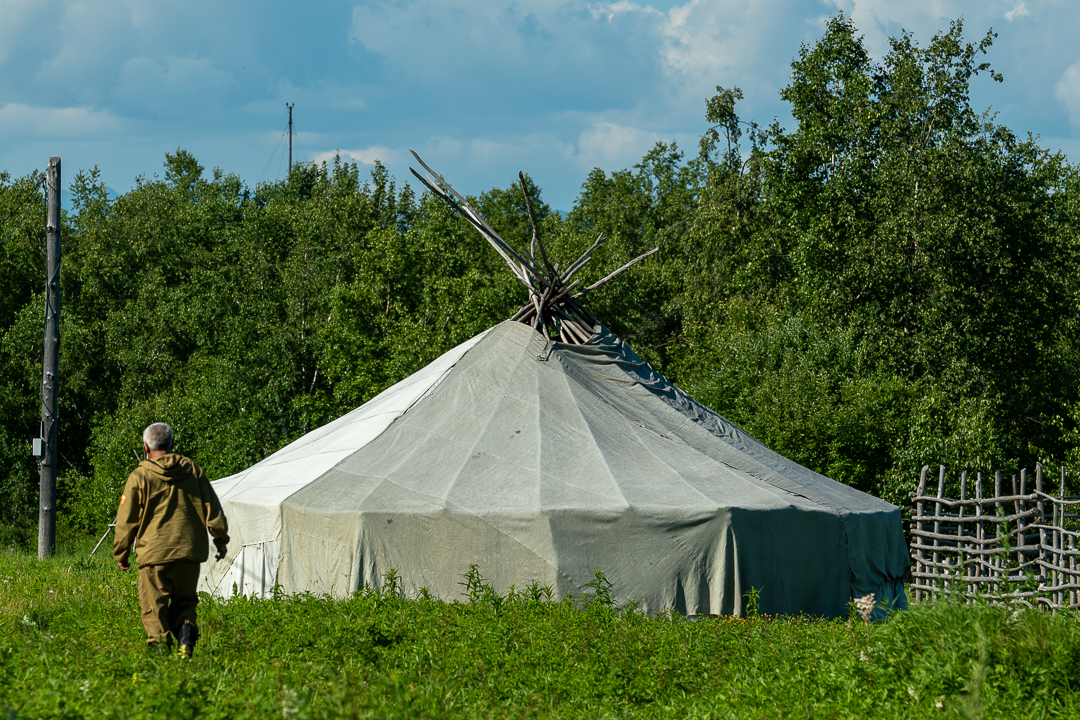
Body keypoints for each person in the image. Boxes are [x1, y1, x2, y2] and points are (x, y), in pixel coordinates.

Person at [114, 422, 229, 658]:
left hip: (153, 555)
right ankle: (186, 641)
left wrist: (121, 552)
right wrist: (220, 539)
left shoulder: (139, 476)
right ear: (172, 444)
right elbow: (212, 507)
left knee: (154, 608)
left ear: (146, 447)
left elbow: (126, 519)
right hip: (189, 552)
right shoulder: (193, 470)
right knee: (185, 604)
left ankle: (159, 657)